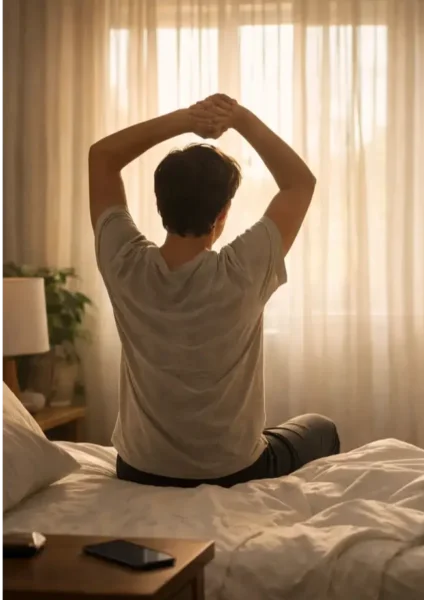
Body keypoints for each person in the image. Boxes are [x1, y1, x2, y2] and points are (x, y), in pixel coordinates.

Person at [89, 93, 340, 488]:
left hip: (138, 468)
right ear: (222, 215)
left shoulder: (124, 264)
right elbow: (299, 182)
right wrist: (237, 117)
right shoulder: (241, 272)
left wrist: (186, 119)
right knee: (320, 427)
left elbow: (102, 157)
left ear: (159, 204)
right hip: (233, 470)